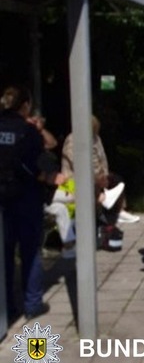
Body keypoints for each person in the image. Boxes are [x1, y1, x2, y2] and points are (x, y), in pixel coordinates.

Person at [0, 86, 65, 319]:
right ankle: (33, 303)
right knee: (30, 251)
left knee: (5, 254)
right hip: (26, 198)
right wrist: (49, 178)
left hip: (3, 200)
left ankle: (6, 306)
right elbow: (36, 163)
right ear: (25, 105)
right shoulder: (27, 132)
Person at [62, 116, 139, 224]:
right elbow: (80, 163)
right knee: (92, 185)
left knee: (116, 179)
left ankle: (119, 211)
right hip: (75, 179)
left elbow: (101, 158)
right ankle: (103, 204)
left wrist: (104, 174)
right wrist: (99, 177)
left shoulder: (95, 138)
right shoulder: (72, 140)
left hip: (97, 175)